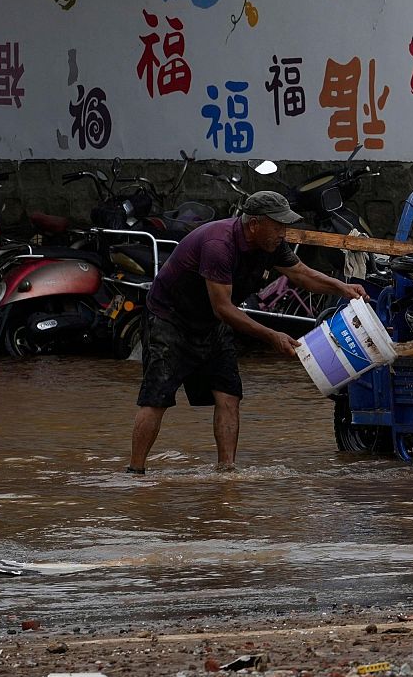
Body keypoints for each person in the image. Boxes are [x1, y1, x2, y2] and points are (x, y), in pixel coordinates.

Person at [128, 191, 367, 474]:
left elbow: (302, 274)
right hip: (171, 319)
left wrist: (343, 288)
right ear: (254, 224)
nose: (284, 232)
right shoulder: (219, 245)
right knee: (157, 398)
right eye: (278, 226)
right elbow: (224, 309)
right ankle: (135, 473)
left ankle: (226, 472)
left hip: (211, 323)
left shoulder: (271, 244)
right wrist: (272, 335)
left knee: (229, 395)